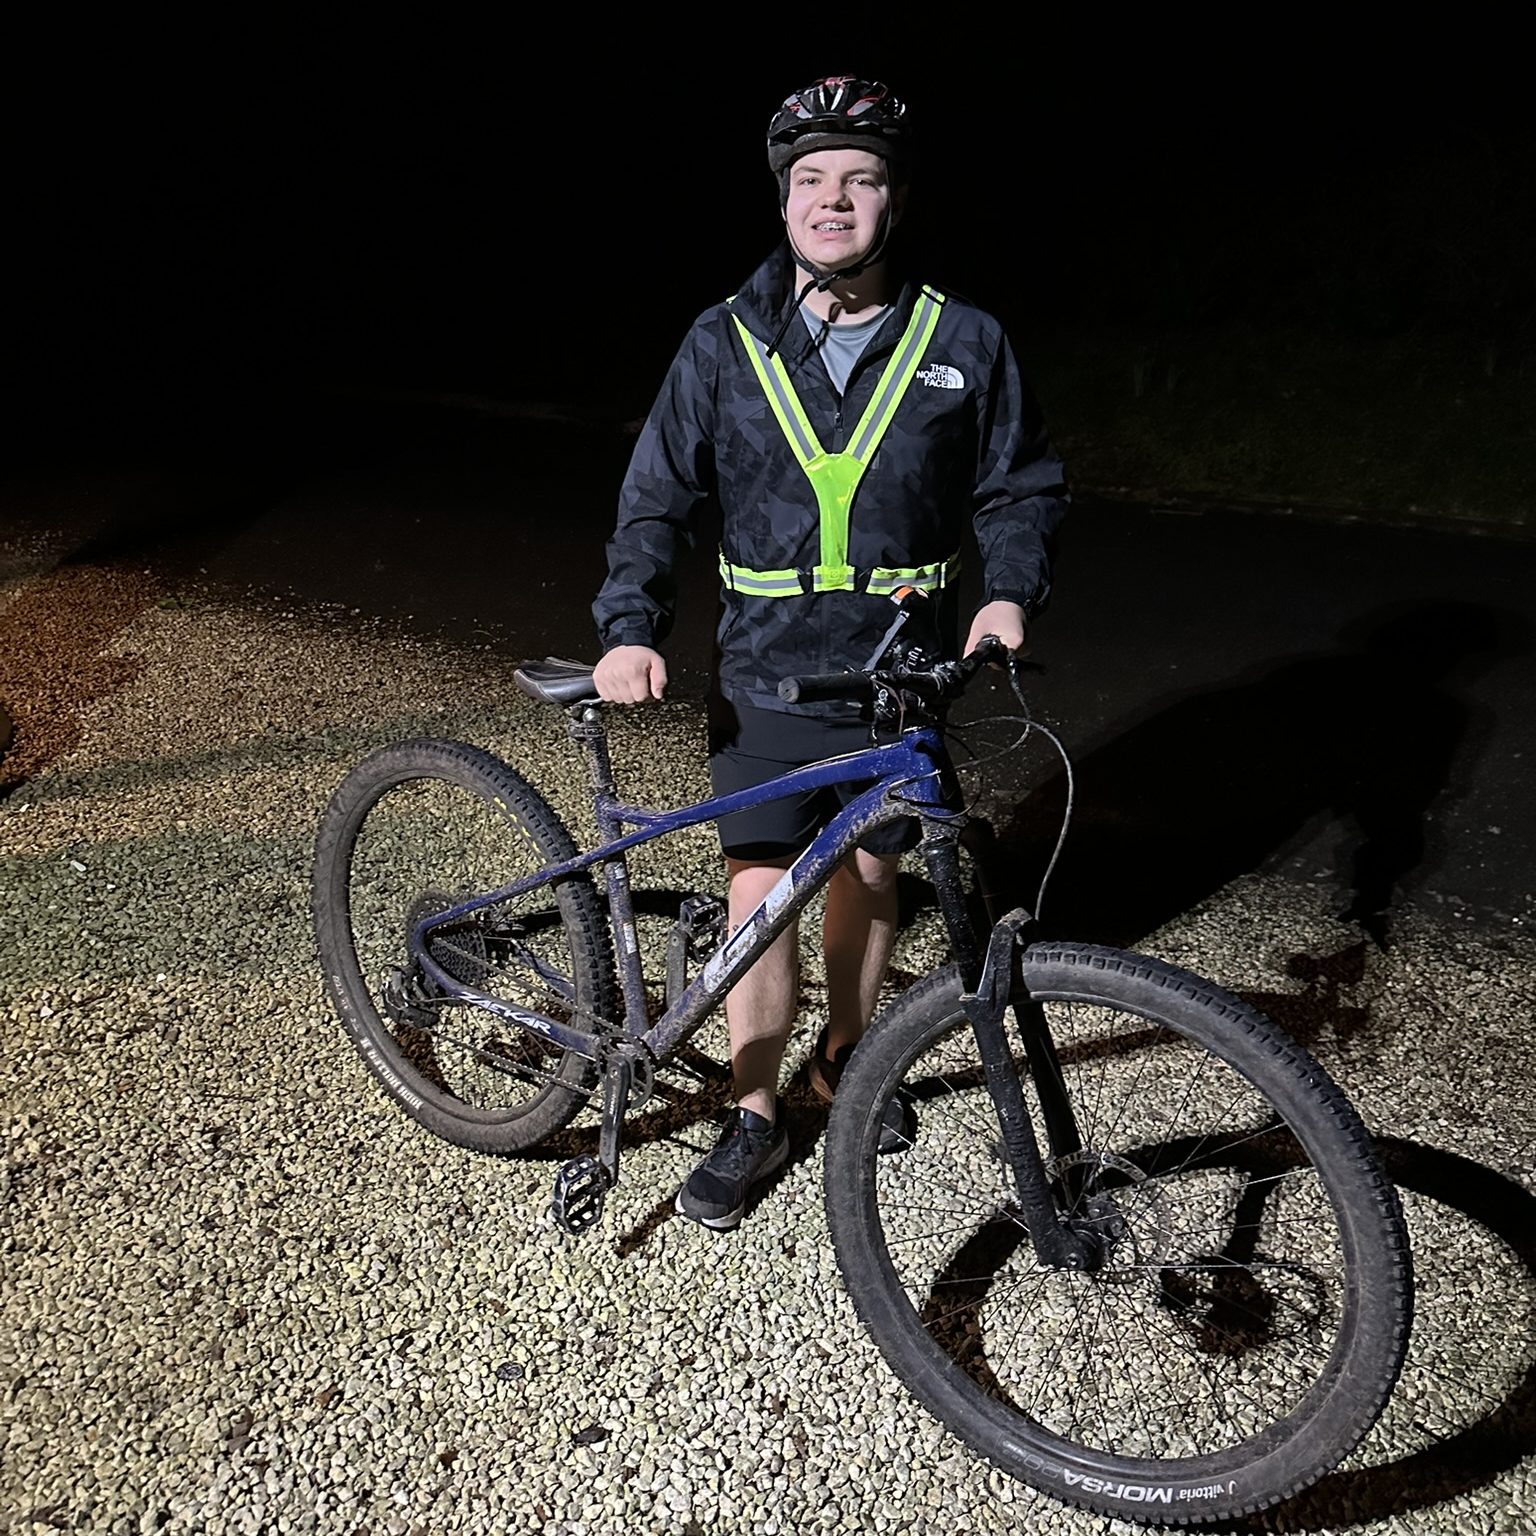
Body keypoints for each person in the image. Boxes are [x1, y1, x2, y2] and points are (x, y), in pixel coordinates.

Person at [591, 74, 1070, 1229]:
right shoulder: (724, 340)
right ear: (785, 200)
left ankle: (848, 1058)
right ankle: (754, 1112)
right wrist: (628, 629)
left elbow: (1020, 485)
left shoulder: (965, 342)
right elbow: (655, 499)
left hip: (899, 678)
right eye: (811, 180)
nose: (833, 200)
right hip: (765, 673)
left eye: (860, 180)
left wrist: (1008, 598)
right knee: (761, 896)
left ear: (895, 201)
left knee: (871, 876)